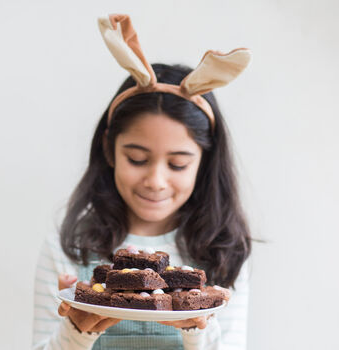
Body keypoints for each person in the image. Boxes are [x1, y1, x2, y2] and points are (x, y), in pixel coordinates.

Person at [32, 14, 252, 350]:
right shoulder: (70, 248)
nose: (156, 181)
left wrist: (196, 330)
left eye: (178, 164)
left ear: (204, 162)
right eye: (137, 159)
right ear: (109, 148)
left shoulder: (223, 249)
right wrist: (75, 333)